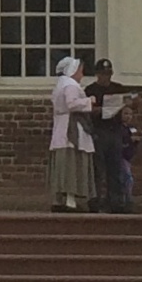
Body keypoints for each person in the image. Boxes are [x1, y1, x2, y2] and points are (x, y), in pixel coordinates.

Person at [46, 56, 96, 212]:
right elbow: (72, 103)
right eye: (80, 71)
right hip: (71, 129)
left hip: (62, 127)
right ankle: (70, 201)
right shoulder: (70, 85)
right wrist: (89, 101)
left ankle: (60, 199)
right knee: (72, 163)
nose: (82, 75)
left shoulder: (60, 85)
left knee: (64, 163)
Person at [86, 59, 135, 213]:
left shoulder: (118, 88)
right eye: (102, 74)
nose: (105, 77)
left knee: (115, 168)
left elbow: (132, 100)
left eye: (108, 74)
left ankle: (114, 201)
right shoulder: (90, 89)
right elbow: (88, 110)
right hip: (99, 131)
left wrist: (128, 101)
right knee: (98, 168)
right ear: (97, 74)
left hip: (115, 131)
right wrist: (103, 109)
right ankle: (96, 200)